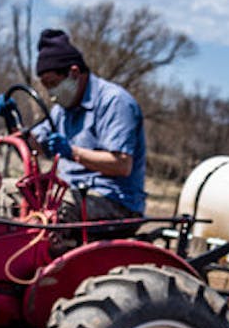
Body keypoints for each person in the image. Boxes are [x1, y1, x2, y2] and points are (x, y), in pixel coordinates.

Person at [22, 29, 146, 249]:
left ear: (74, 73)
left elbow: (122, 164)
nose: (51, 93)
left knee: (55, 209)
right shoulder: (64, 109)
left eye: (53, 83)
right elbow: (37, 143)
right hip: (72, 191)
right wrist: (18, 129)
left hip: (114, 202)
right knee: (11, 191)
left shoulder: (115, 103)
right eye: (45, 86)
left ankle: (39, 272)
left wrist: (73, 152)